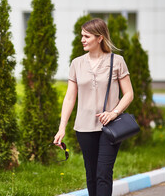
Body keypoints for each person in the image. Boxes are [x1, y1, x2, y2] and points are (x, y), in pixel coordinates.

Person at [53, 18, 134, 196]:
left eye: (86, 36)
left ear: (99, 38)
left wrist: (114, 113)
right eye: (81, 35)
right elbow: (69, 97)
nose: (82, 39)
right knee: (91, 174)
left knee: (103, 174)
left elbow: (129, 94)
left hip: (110, 127)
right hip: (84, 127)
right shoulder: (77, 63)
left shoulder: (117, 61)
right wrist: (62, 127)